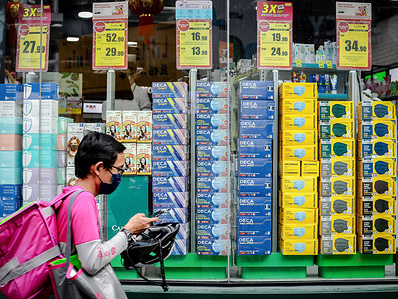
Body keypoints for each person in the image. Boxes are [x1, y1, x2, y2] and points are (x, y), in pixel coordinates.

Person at [53, 131, 157, 277]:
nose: (119, 175)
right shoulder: (83, 201)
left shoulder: (68, 195)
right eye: (118, 169)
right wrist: (128, 231)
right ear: (98, 168)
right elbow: (92, 262)